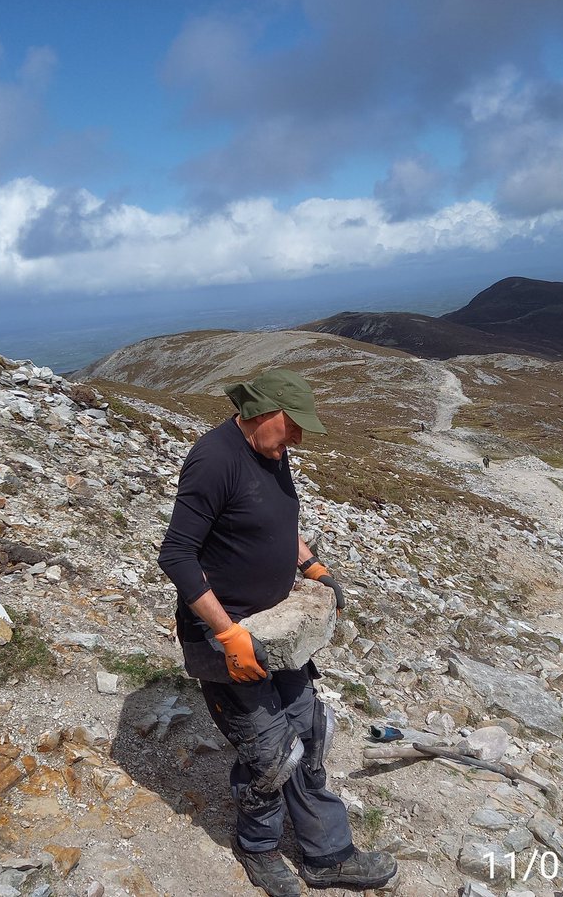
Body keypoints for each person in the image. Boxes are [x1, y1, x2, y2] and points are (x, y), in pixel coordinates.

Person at [158, 369, 398, 897]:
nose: (298, 439)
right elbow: (175, 554)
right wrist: (228, 636)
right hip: (228, 635)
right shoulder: (213, 460)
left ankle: (327, 855)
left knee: (311, 733)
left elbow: (276, 522)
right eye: (292, 426)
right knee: (270, 752)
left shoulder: (270, 451)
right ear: (262, 414)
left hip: (279, 629)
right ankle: (259, 848)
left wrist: (310, 565)